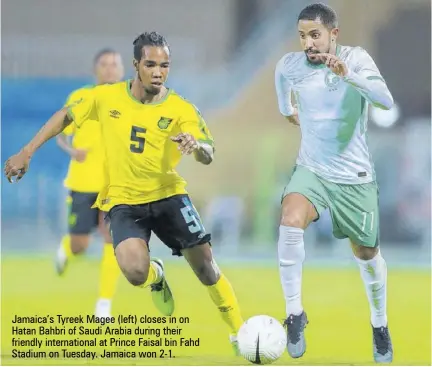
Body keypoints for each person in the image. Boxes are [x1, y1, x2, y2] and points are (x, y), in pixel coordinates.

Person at [4, 31, 244, 354]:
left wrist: (195, 146)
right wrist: (27, 151)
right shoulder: (106, 98)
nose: (158, 72)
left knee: (205, 268)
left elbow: (208, 151)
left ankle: (239, 332)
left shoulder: (180, 108)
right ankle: (155, 275)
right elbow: (65, 116)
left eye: (165, 65)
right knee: (134, 271)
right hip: (123, 201)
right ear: (135, 65)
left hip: (169, 195)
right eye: (151, 64)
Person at [274, 3, 393, 363]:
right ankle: (294, 313)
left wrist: (348, 75)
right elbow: (284, 91)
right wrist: (287, 110)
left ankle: (379, 323)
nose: (308, 43)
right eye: (302, 36)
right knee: (290, 219)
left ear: (333, 34)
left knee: (366, 254)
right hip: (312, 170)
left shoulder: (356, 59)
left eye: (315, 35)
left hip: (354, 177)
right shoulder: (290, 66)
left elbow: (385, 101)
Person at [55, 49, 125, 319]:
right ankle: (66, 247)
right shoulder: (79, 97)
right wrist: (73, 151)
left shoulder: (130, 99)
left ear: (122, 69)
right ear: (96, 69)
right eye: (104, 64)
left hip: (115, 185)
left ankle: (104, 304)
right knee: (80, 245)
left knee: (111, 239)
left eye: (114, 64)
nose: (109, 69)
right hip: (83, 181)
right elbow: (60, 133)